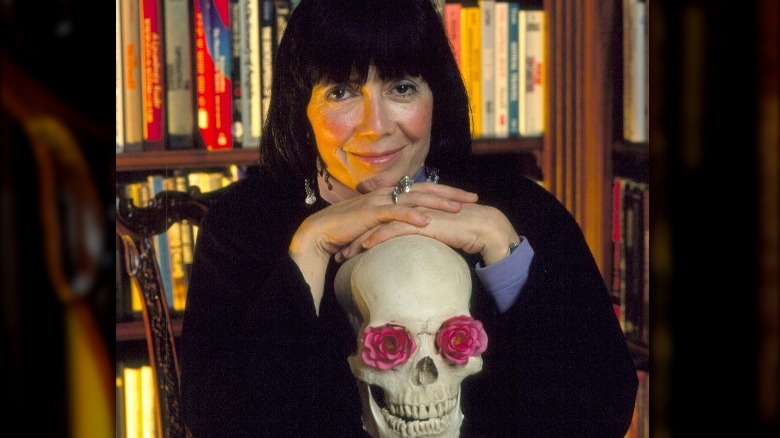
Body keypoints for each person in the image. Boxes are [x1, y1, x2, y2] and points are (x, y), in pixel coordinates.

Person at [179, 0, 638, 436]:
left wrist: (503, 249)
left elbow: (600, 415)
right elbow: (220, 424)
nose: (375, 125)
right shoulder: (240, 224)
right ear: (301, 108)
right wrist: (310, 248)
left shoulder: (522, 209)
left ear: (436, 95)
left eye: (402, 87)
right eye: (340, 91)